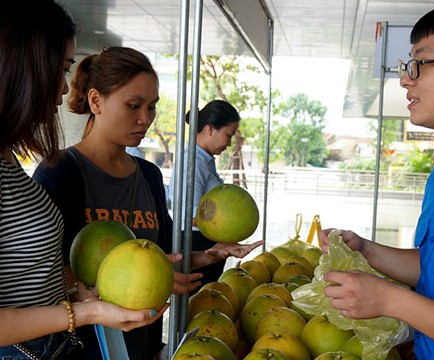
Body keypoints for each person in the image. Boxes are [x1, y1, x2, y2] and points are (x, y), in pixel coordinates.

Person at [33, 47, 262, 360]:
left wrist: (210, 255)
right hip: (83, 347)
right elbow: (41, 276)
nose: (145, 119)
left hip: (144, 341)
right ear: (96, 101)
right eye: (133, 105)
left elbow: (162, 257)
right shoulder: (61, 172)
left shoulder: (149, 175)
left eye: (152, 107)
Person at [320, 1, 434, 359]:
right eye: (406, 66)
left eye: (420, 64)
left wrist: (390, 299)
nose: (404, 79)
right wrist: (367, 250)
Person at [0, 2, 167, 359]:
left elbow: (28, 280)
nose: (63, 89)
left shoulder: (8, 160)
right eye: (59, 70)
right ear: (21, 66)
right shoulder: (59, 169)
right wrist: (85, 312)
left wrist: (80, 293)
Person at [169, 100, 242, 289]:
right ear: (210, 129)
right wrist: (227, 226)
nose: (229, 143)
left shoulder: (205, 160)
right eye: (228, 135)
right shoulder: (191, 162)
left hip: (207, 243)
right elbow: (187, 213)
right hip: (196, 245)